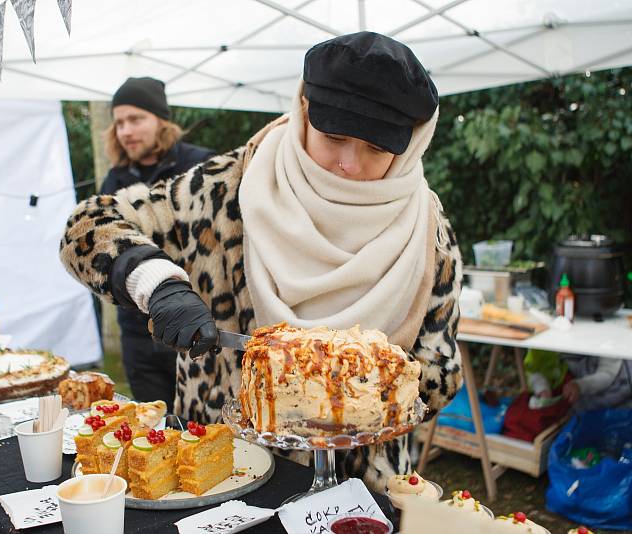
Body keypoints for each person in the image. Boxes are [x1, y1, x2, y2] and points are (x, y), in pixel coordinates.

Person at [61, 32, 463, 492]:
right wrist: (157, 284)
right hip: (222, 472)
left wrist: (349, 393)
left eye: (377, 147)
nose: (348, 164)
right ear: (304, 111)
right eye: (333, 137)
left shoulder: (425, 228)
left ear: (411, 142)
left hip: (359, 490)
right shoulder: (224, 187)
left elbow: (440, 368)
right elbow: (88, 227)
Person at [98, 76, 214, 411]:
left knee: (205, 432)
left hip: (193, 322)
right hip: (137, 330)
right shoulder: (114, 179)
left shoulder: (200, 165)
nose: (126, 131)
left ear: (161, 120)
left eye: (136, 119)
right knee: (155, 427)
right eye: (119, 123)